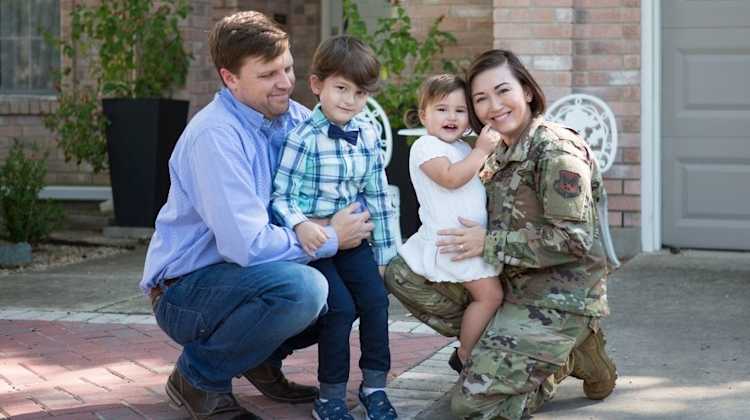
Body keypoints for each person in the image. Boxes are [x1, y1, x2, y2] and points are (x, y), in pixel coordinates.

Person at [140, 12, 373, 420]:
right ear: (230, 79)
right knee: (303, 289)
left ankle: (257, 357)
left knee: (352, 290)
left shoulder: (299, 121)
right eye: (267, 74)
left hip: (247, 278)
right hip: (187, 291)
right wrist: (330, 236)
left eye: (287, 67)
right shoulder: (215, 136)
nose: (285, 82)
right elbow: (246, 246)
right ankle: (198, 377)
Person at [384, 49, 617, 420]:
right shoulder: (493, 150)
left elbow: (574, 240)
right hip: (508, 281)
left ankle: (566, 355)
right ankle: (503, 354)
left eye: (502, 90)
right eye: (480, 99)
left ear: (526, 90)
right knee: (402, 272)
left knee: (471, 405)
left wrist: (488, 242)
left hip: (556, 296)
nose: (493, 106)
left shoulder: (556, 151)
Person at [271, 35, 398, 420]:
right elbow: (280, 195)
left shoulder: (368, 134)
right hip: (318, 242)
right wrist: (300, 224)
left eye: (359, 93)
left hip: (355, 240)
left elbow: (377, 195)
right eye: (341, 88)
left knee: (376, 301)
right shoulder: (302, 138)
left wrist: (385, 255)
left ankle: (374, 386)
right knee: (339, 309)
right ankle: (329, 397)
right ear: (317, 85)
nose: (349, 100)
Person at [398, 74, 503, 372]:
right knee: (490, 296)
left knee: (493, 295)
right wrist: (482, 150)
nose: (451, 117)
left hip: (469, 240)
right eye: (442, 109)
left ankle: (473, 347)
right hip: (452, 243)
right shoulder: (425, 145)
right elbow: (451, 178)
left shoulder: (462, 148)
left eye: (460, 110)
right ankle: (465, 355)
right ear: (423, 115)